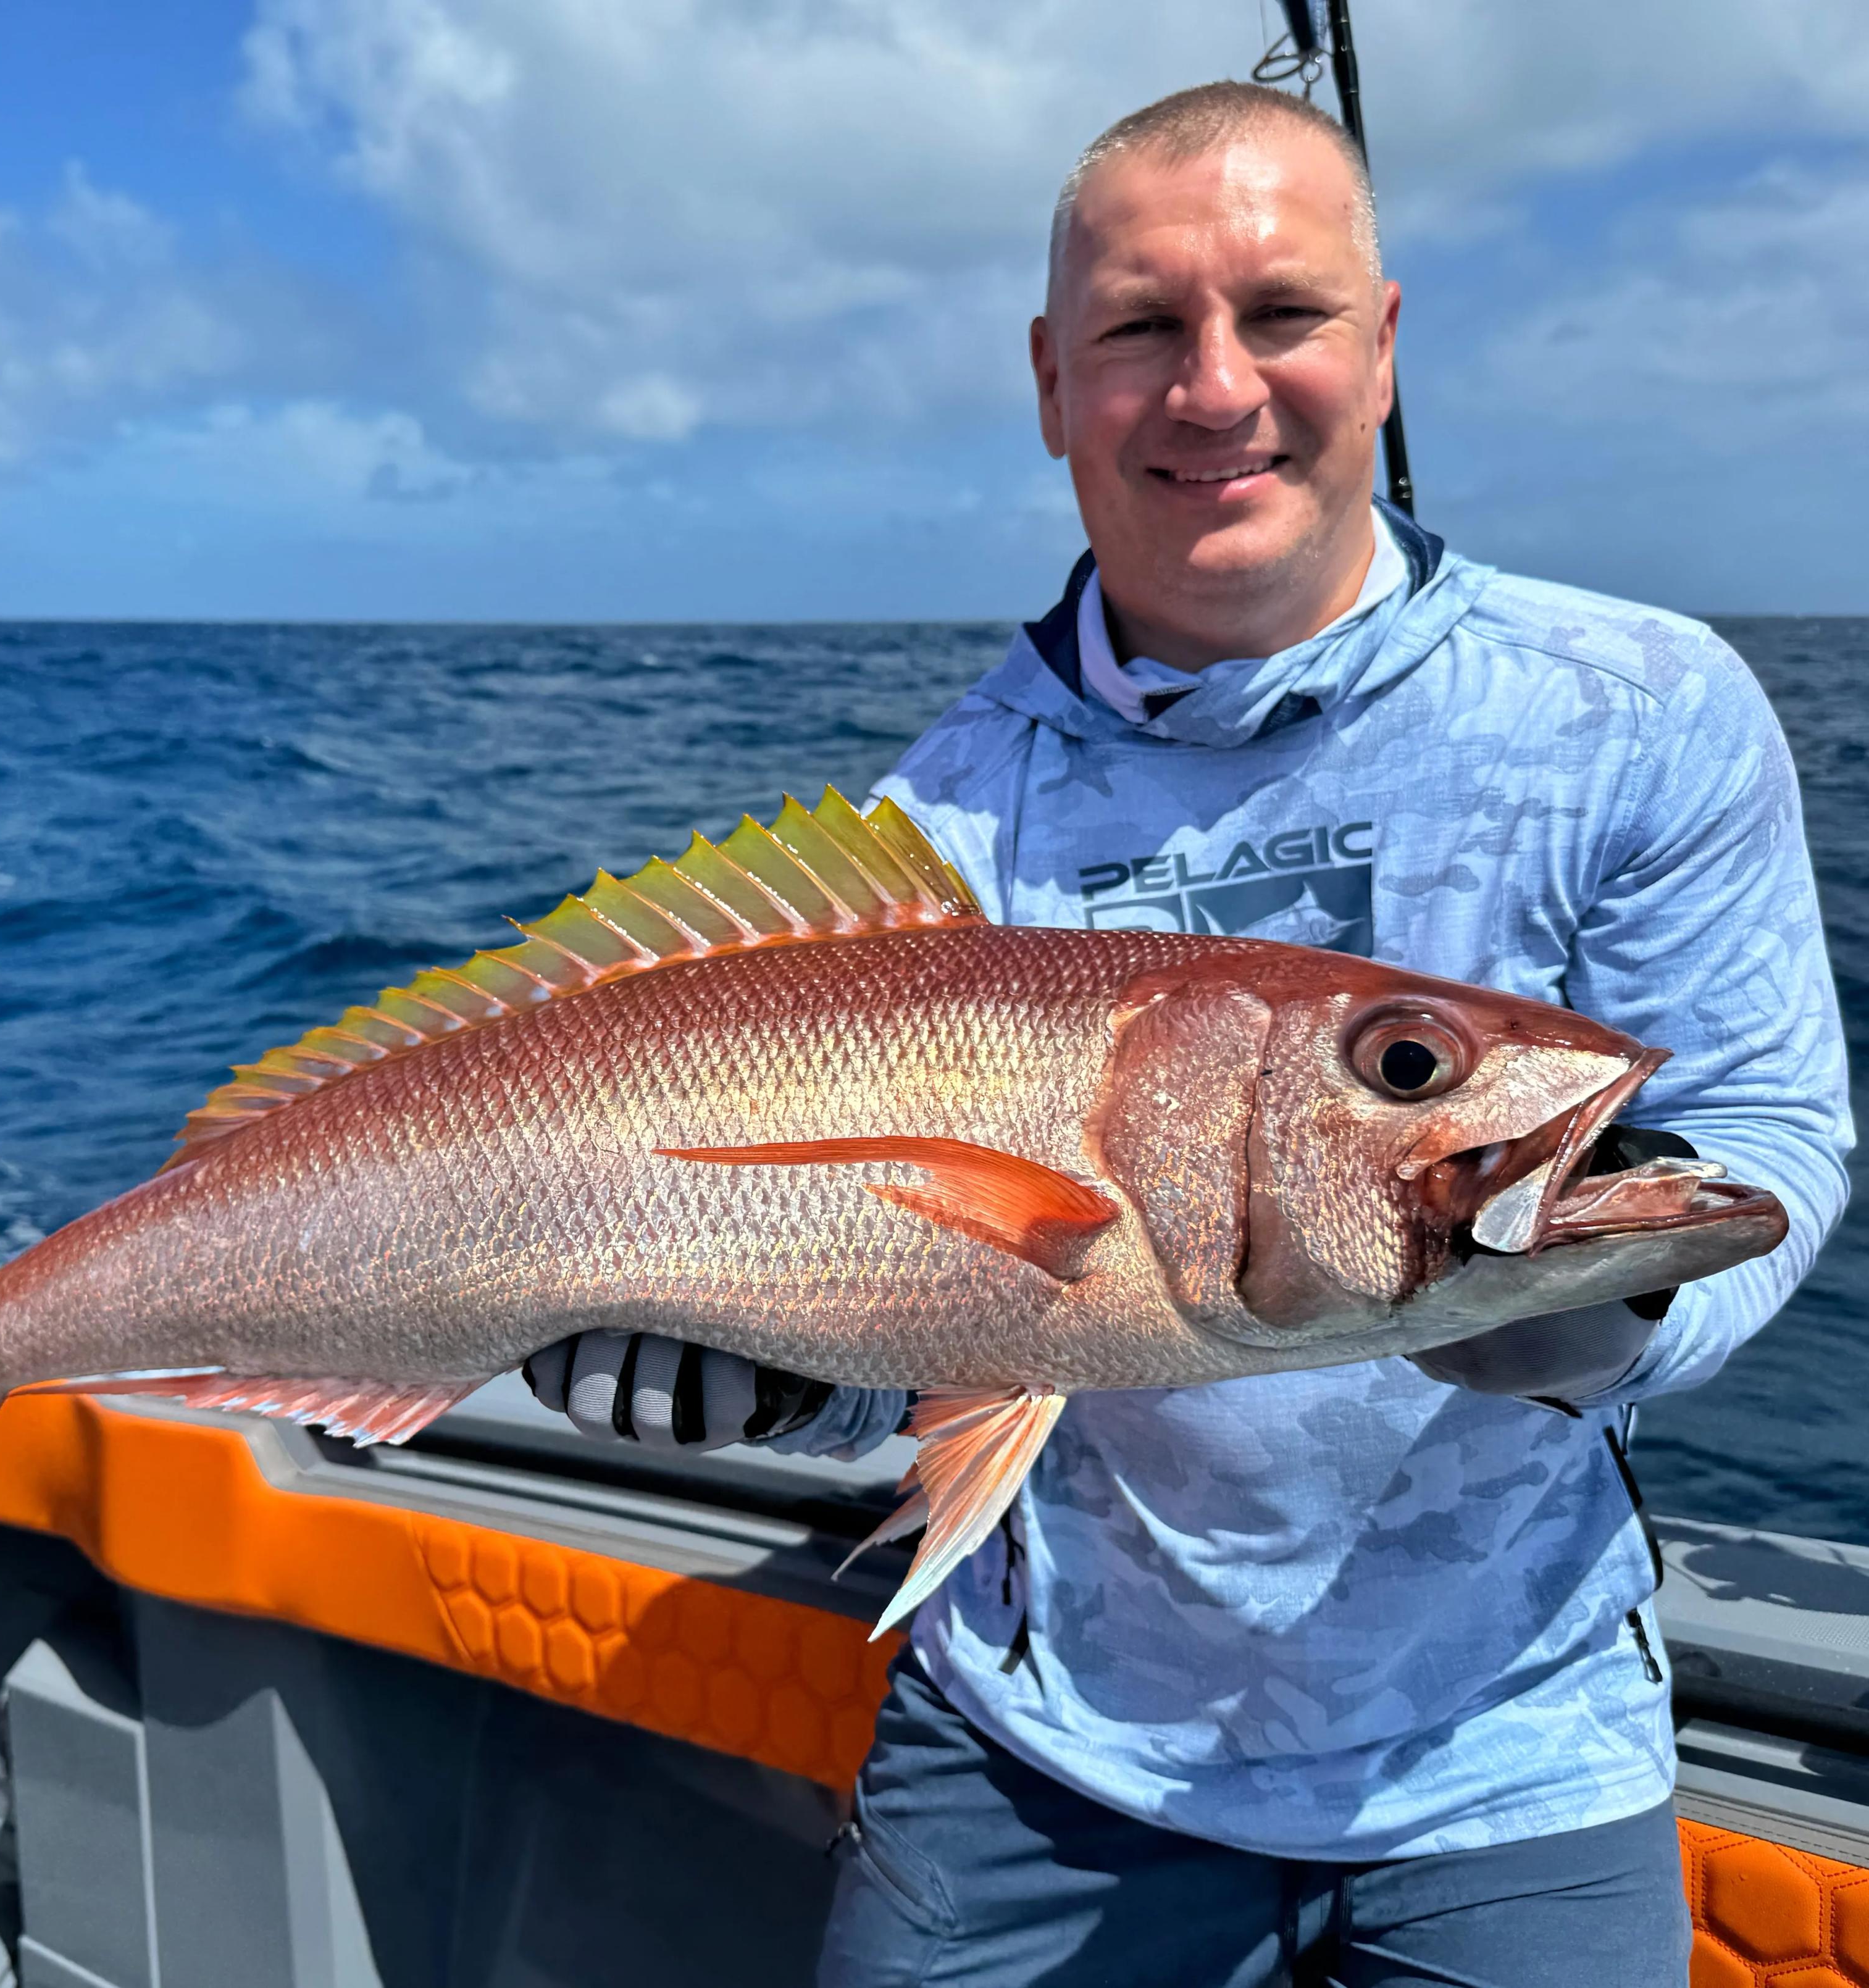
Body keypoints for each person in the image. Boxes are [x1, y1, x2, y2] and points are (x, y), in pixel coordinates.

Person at [524, 80, 1851, 1985]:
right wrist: (773, 1376)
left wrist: (1619, 1311)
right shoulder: (937, 832)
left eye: (1284, 314)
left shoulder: (1642, 710)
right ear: (1054, 382)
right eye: (1144, 328)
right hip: (1040, 1751)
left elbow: (1768, 1139)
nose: (1215, 388)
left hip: (1516, 1749)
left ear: (1385, 346)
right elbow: (936, 1319)